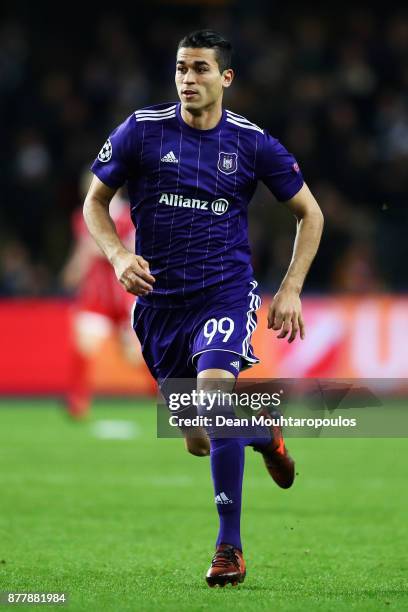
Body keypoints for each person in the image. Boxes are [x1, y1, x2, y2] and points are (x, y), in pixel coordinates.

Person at [84, 29, 324, 586]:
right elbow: (95, 200)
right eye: (180, 69)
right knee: (198, 438)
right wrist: (118, 254)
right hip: (159, 307)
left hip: (224, 292)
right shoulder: (142, 132)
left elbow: (310, 214)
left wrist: (289, 288)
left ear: (225, 78)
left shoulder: (252, 143)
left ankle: (229, 548)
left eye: (199, 69)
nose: (188, 79)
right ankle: (264, 432)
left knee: (216, 403)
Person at [62, 174, 145, 418]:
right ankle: (77, 403)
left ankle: (164, 396)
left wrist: (106, 247)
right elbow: (82, 252)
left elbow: (136, 249)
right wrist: (73, 271)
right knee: (84, 345)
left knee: (136, 355)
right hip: (96, 297)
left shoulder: (129, 213)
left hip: (125, 293)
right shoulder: (82, 216)